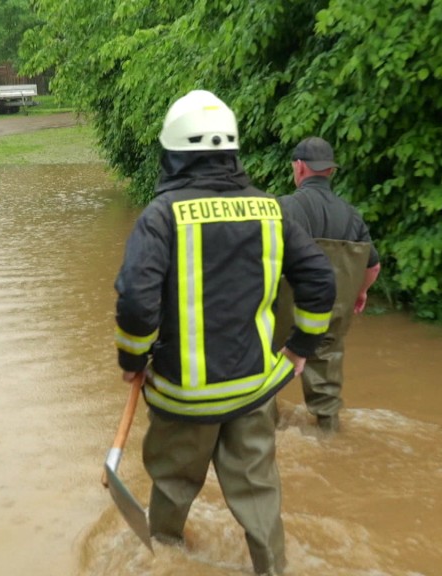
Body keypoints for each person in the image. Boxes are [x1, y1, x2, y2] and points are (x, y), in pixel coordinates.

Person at [114, 90, 336, 575]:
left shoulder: (161, 217)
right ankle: (272, 568)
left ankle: (166, 557)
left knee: (171, 488)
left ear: (172, 153)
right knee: (259, 498)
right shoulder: (272, 211)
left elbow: (136, 302)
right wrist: (301, 348)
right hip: (254, 394)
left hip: (183, 400)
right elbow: (321, 281)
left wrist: (132, 362)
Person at [275, 136, 381, 434]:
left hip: (289, 313)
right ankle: (328, 428)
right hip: (334, 310)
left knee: (266, 361)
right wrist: (360, 292)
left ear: (299, 167)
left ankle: (264, 425)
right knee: (327, 363)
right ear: (330, 171)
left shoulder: (285, 206)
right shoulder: (352, 216)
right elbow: (373, 265)